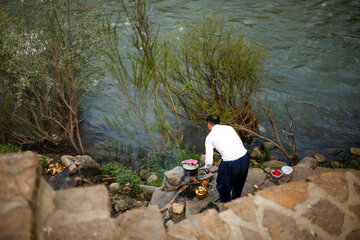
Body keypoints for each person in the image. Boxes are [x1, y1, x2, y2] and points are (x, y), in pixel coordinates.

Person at [204, 115, 249, 203]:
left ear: (209, 125)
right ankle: (236, 202)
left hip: (230, 163)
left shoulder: (209, 138)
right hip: (244, 157)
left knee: (223, 187)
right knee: (238, 185)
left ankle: (225, 205)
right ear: (220, 123)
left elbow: (209, 161)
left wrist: (207, 168)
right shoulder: (230, 128)